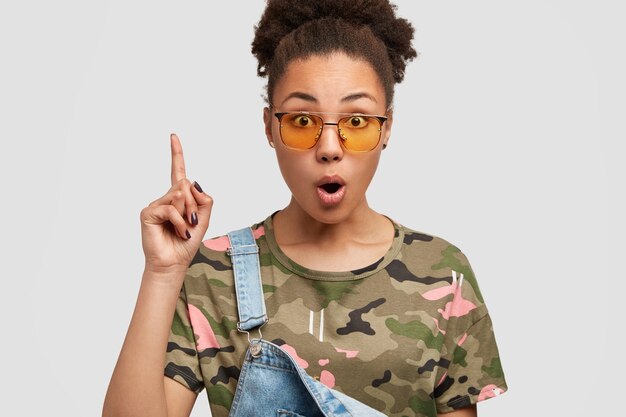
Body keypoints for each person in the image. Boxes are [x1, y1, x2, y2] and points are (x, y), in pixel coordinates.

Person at [102, 1, 508, 416]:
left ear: (387, 128)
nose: (329, 148)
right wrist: (163, 272)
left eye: (356, 122)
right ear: (269, 128)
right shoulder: (211, 275)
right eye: (301, 121)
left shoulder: (444, 273)